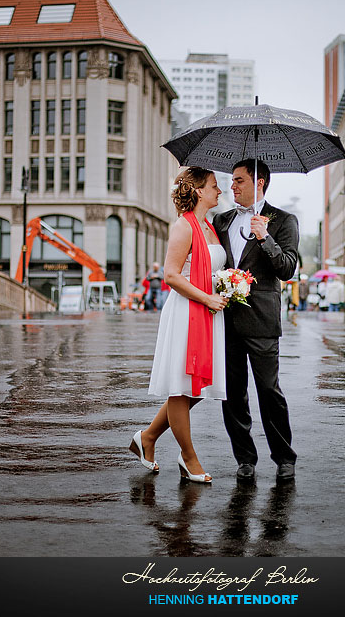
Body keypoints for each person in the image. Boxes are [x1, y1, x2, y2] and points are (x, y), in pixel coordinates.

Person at [131, 167, 229, 484]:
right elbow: (171, 276)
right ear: (199, 191)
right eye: (215, 186)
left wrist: (229, 285)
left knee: (195, 386)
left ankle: (146, 437)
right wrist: (208, 298)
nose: (220, 191)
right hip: (188, 310)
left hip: (208, 309)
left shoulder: (210, 227)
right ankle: (188, 457)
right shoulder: (183, 226)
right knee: (181, 385)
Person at [212, 159, 300, 481]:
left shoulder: (283, 220)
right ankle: (244, 459)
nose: (231, 186)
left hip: (262, 321)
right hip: (226, 319)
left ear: (259, 182)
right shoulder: (220, 221)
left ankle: (284, 457)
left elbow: (287, 269)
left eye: (238, 181)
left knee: (268, 390)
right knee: (233, 393)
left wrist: (265, 238)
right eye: (232, 181)